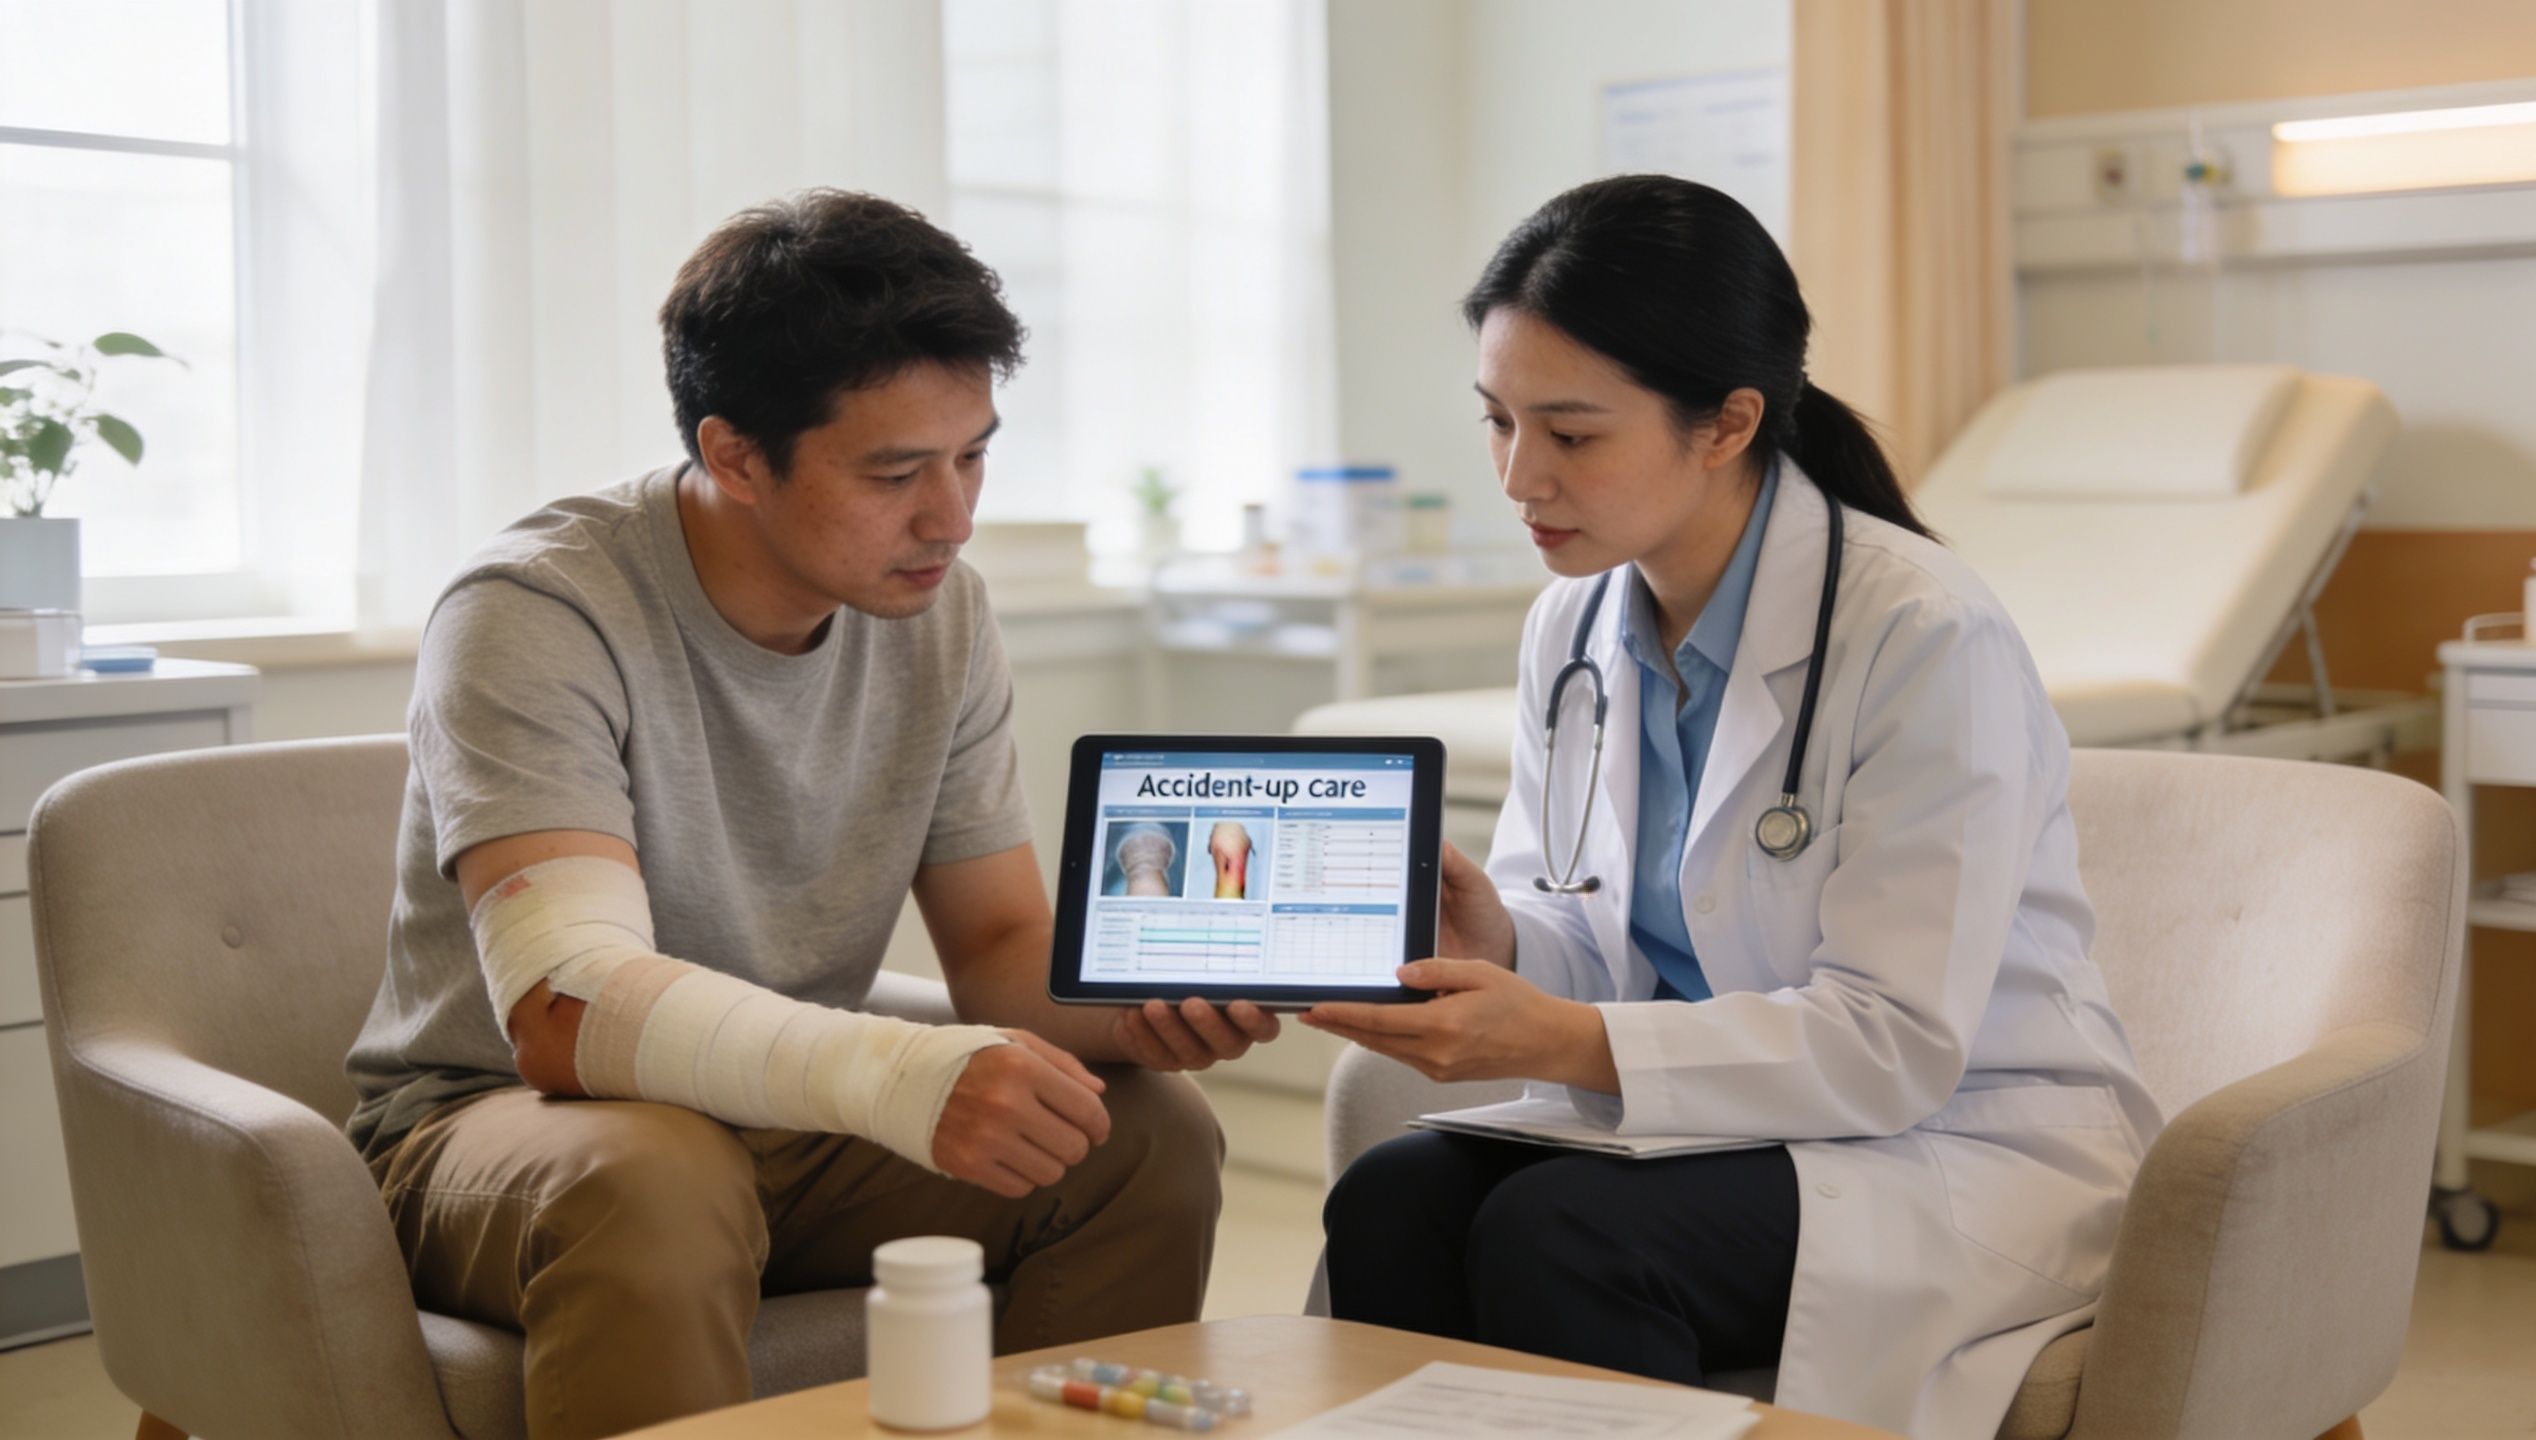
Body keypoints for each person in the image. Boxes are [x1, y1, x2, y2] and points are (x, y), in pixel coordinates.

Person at [343, 189, 1279, 1440]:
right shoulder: (534, 609)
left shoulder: (937, 609)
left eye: (973, 455)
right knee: (658, 1177)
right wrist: (894, 1071)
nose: (949, 517)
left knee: (1139, 1132)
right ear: (734, 455)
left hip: (787, 1116)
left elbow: (1001, 952)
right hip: (506, 1124)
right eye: (895, 471)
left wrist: (1176, 992)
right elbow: (565, 1009)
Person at [1303, 175, 2162, 1440]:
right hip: (1708, 1127)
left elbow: (1891, 1042)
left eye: (1572, 433)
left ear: (1725, 423)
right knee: (1392, 1196)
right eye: (1496, 422)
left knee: (1566, 1236)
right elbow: (1598, 934)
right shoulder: (1577, 620)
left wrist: (1553, 1042)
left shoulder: (1924, 633)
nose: (1517, 475)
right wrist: (1502, 946)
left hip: (1960, 1138)